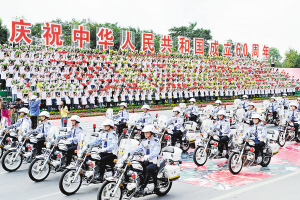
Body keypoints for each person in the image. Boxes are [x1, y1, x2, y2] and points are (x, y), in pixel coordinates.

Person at [131, 125, 160, 194]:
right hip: (144, 160)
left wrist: (148, 157)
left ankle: (142, 187)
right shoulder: (144, 141)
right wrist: (129, 152)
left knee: (148, 169)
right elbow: (138, 149)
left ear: (151, 133)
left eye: (147, 132)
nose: (145, 134)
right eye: (145, 132)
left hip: (153, 161)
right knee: (134, 166)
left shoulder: (156, 141)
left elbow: (156, 152)